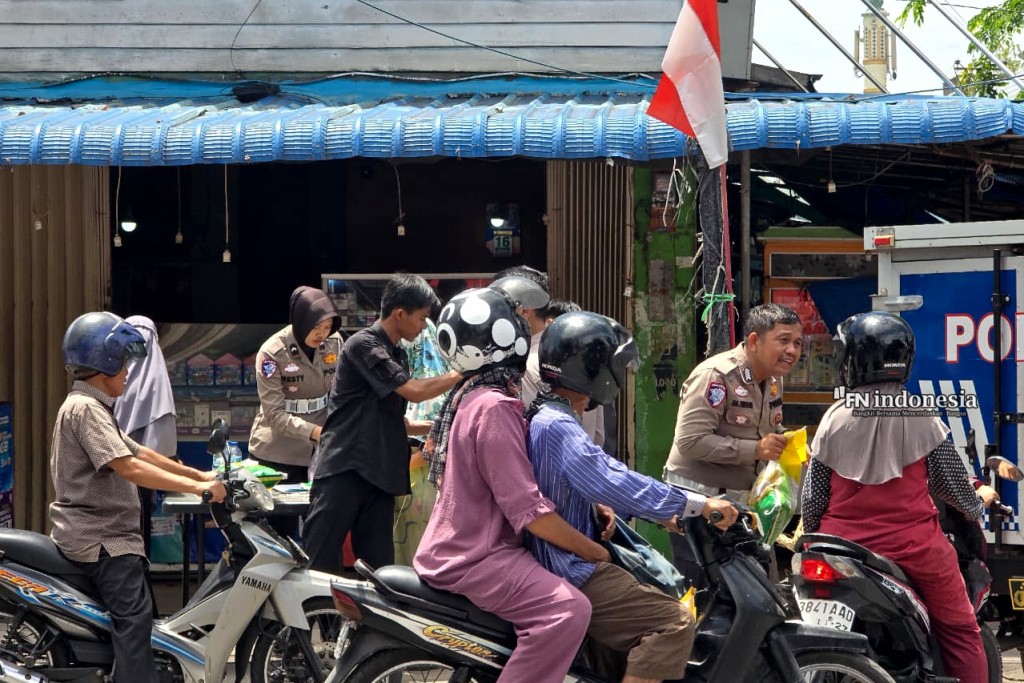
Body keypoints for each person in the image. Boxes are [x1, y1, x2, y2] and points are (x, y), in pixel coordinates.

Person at [526, 311, 738, 683]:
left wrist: (618, 509)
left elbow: (588, 484)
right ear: (592, 370)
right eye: (613, 367)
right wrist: (697, 504)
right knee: (673, 623)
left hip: (568, 555)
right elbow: (612, 478)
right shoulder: (558, 425)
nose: (619, 377)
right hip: (567, 566)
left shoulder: (550, 415)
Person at [414, 286, 610, 683]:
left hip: (462, 546)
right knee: (568, 610)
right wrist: (593, 550)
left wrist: (590, 504)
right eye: (518, 322)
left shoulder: (471, 396)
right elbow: (527, 510)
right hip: (477, 555)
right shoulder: (494, 407)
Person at [801, 311, 988, 683]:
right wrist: (976, 505)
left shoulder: (833, 418)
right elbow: (954, 490)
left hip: (840, 549)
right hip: (916, 550)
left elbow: (813, 500)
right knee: (961, 629)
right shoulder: (922, 416)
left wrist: (811, 538)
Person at [52, 312, 226, 683]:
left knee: (138, 614)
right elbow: (129, 467)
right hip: (101, 540)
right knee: (134, 620)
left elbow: (140, 451)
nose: (129, 373)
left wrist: (199, 475)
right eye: (124, 364)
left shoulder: (95, 406)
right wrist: (198, 489)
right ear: (104, 364)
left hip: (107, 536)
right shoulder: (85, 409)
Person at [304, 274, 461, 573]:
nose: (423, 326)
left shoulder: (397, 353)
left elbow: (395, 421)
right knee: (318, 563)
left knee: (379, 571)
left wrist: (439, 427)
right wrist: (463, 372)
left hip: (379, 477)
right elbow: (413, 391)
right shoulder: (364, 345)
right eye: (421, 318)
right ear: (400, 314)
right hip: (345, 469)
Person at [663, 303, 803, 586]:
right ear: (754, 340)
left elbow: (764, 429)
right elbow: (690, 441)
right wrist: (757, 450)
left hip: (742, 506)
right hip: (699, 506)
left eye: (798, 343)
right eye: (783, 340)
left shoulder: (774, 379)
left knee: (754, 590)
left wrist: (786, 441)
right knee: (708, 593)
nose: (792, 350)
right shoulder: (716, 375)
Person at [248, 285, 342, 539]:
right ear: (301, 321)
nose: (322, 334)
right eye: (316, 327)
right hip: (278, 452)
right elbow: (274, 414)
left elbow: (341, 393)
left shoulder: (334, 343)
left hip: (320, 452)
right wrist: (315, 432)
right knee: (281, 535)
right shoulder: (272, 353)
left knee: (322, 529)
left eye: (327, 327)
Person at [112, 315, 177, 558]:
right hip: (141, 475)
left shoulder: (112, 375)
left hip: (114, 473)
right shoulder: (157, 380)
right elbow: (164, 441)